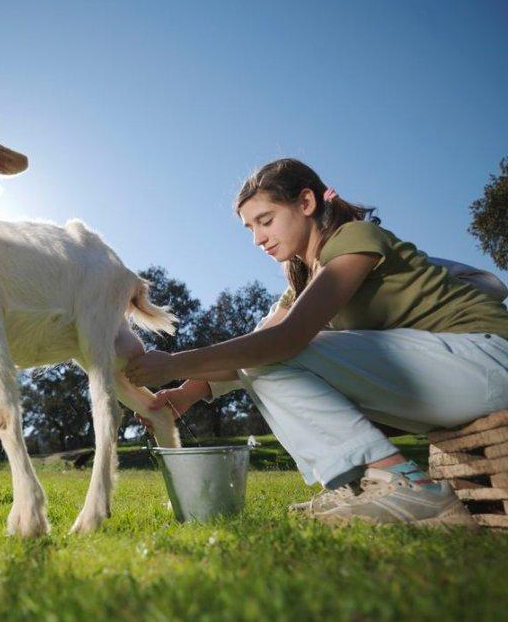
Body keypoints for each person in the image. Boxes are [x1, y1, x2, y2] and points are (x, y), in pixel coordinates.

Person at [125, 158, 508, 527]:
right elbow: (260, 348)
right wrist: (188, 393)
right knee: (264, 350)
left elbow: (285, 342)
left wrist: (174, 362)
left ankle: (405, 484)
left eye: (266, 221)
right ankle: (363, 484)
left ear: (306, 203)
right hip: (447, 383)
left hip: (488, 361)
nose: (258, 238)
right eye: (250, 228)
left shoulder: (356, 238)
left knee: (277, 348)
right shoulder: (303, 284)